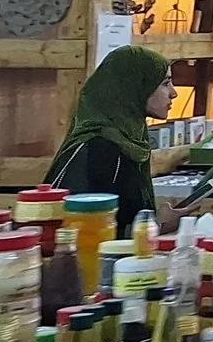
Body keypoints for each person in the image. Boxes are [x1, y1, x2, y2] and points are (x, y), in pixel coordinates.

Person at [44, 46, 176, 233]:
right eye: (165, 83)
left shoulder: (130, 141)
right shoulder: (100, 149)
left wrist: (155, 223)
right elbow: (89, 231)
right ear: (134, 86)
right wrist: (156, 225)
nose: (173, 93)